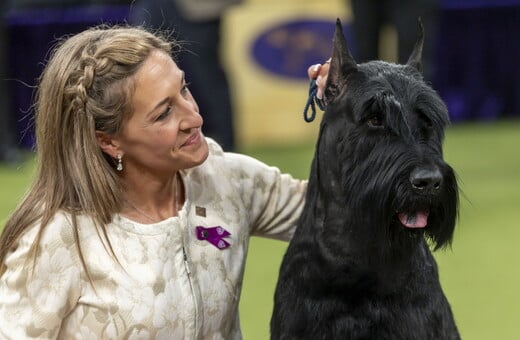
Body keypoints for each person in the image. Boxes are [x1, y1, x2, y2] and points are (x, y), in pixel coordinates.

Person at [0, 25, 329, 338]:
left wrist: (358, 101)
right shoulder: (57, 239)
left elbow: (349, 217)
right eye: (163, 113)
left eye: (183, 88)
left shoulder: (226, 178)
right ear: (108, 141)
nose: (194, 117)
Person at [130, 0, 240, 151]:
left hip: (197, 8)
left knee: (208, 81)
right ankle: (153, 149)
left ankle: (226, 150)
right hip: (150, 4)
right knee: (141, 68)